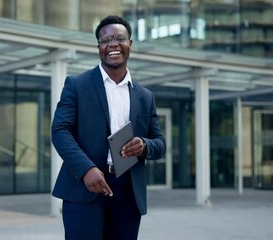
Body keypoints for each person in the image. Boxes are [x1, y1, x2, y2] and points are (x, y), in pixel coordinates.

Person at [51, 15, 166, 240]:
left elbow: (160, 144)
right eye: (106, 40)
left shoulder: (145, 96)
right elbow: (60, 131)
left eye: (119, 38)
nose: (113, 44)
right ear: (99, 47)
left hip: (128, 192)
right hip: (84, 189)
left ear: (130, 44)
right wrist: (86, 169)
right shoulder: (77, 84)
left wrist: (144, 145)